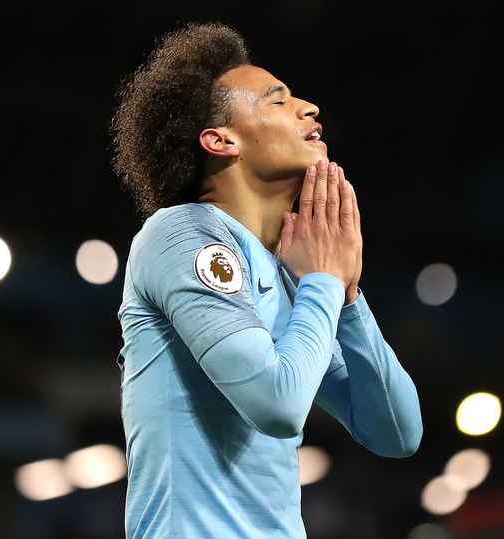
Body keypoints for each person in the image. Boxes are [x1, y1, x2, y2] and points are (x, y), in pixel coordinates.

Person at [111, 22, 422, 539]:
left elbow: (397, 432)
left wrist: (346, 298)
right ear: (221, 140)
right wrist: (325, 280)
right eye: (278, 101)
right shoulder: (181, 234)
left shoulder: (292, 277)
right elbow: (277, 406)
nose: (309, 108)